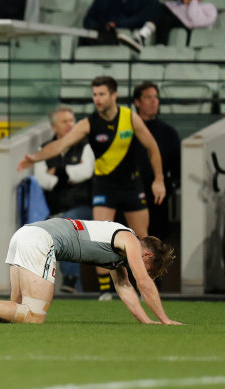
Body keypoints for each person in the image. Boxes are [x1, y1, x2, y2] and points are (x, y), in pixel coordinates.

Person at [17, 76, 166, 300]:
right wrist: (35, 157)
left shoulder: (130, 118)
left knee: (143, 238)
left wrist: (159, 179)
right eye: (94, 94)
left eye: (102, 94)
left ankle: (148, 288)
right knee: (101, 240)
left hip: (131, 186)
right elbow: (60, 144)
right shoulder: (89, 123)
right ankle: (106, 291)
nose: (97, 99)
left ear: (114, 95)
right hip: (104, 187)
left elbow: (152, 147)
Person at [0, 218, 182, 326]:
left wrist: (148, 321)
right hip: (40, 240)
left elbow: (125, 288)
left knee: (16, 311)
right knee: (34, 316)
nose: (145, 273)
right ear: (147, 255)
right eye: (151, 269)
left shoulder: (118, 258)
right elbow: (142, 284)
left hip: (25, 234)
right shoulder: (130, 240)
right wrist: (166, 319)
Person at [34, 106, 94, 293]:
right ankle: (72, 289)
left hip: (84, 207)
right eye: (65, 121)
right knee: (43, 230)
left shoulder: (86, 144)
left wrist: (58, 172)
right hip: (55, 209)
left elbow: (86, 172)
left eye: (72, 120)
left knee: (65, 224)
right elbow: (42, 179)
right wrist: (69, 177)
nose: (70, 125)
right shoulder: (43, 149)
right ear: (54, 127)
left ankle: (70, 279)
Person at [133, 82, 181, 241]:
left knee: (156, 249)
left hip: (157, 200)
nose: (154, 101)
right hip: (129, 197)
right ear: (137, 102)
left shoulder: (168, 133)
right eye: (148, 97)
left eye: (156, 97)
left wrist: (167, 187)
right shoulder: (126, 130)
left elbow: (177, 170)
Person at [80, 0, 164, 52]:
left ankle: (139, 38)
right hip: (105, 34)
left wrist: (119, 24)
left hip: (129, 30)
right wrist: (104, 27)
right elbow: (88, 20)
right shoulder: (102, 1)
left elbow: (146, 15)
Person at [132, 0, 217, 46]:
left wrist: (192, 1)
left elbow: (196, 20)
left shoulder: (209, 7)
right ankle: (158, 45)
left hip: (189, 29)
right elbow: (168, 7)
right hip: (172, 21)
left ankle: (143, 34)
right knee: (162, 14)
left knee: (163, 11)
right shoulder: (179, 5)